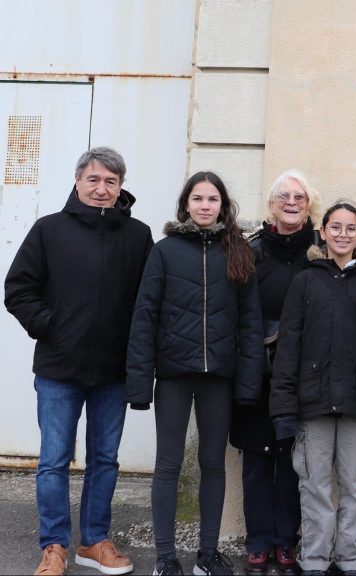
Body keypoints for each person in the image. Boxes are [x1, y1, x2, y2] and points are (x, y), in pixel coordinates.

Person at [4, 147, 152, 576]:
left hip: (113, 371)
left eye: (111, 181)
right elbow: (18, 289)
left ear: (120, 186)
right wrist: (52, 326)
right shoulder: (49, 230)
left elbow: (149, 301)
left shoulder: (138, 236)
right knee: (53, 460)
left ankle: (94, 541)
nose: (102, 188)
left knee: (104, 459)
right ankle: (54, 546)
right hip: (58, 369)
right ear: (77, 181)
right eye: (94, 179)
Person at [125, 171, 263, 576]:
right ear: (186, 204)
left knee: (213, 464)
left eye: (213, 199)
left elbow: (250, 324)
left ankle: (206, 554)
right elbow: (144, 317)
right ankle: (166, 558)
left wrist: (249, 384)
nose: (205, 206)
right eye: (198, 199)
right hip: (173, 376)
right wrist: (139, 383)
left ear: (223, 205)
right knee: (168, 464)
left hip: (218, 378)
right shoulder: (164, 251)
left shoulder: (238, 251)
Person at [269, 201, 356, 575]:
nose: (343, 234)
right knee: (315, 487)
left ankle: (352, 559)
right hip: (312, 404)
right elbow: (288, 346)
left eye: (350, 228)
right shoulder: (305, 281)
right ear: (322, 232)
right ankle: (314, 559)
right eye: (335, 227)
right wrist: (284, 407)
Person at [229, 170, 322, 576]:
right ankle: (258, 543)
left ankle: (287, 542)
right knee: (255, 460)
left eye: (299, 196)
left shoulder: (319, 254)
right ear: (271, 204)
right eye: (283, 195)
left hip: (301, 372)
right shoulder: (250, 250)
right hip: (255, 370)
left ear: (309, 205)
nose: (291, 201)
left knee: (291, 458)